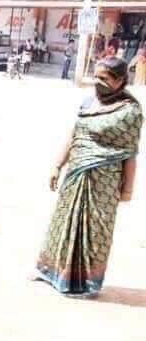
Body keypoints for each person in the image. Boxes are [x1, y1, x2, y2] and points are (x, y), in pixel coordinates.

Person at [36, 57, 142, 297]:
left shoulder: (130, 111)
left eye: (104, 78)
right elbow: (74, 135)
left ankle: (85, 283)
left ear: (120, 80)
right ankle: (52, 273)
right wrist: (57, 165)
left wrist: (127, 190)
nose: (98, 82)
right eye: (96, 76)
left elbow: (130, 154)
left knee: (95, 232)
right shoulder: (88, 102)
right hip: (75, 174)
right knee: (63, 223)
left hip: (104, 182)